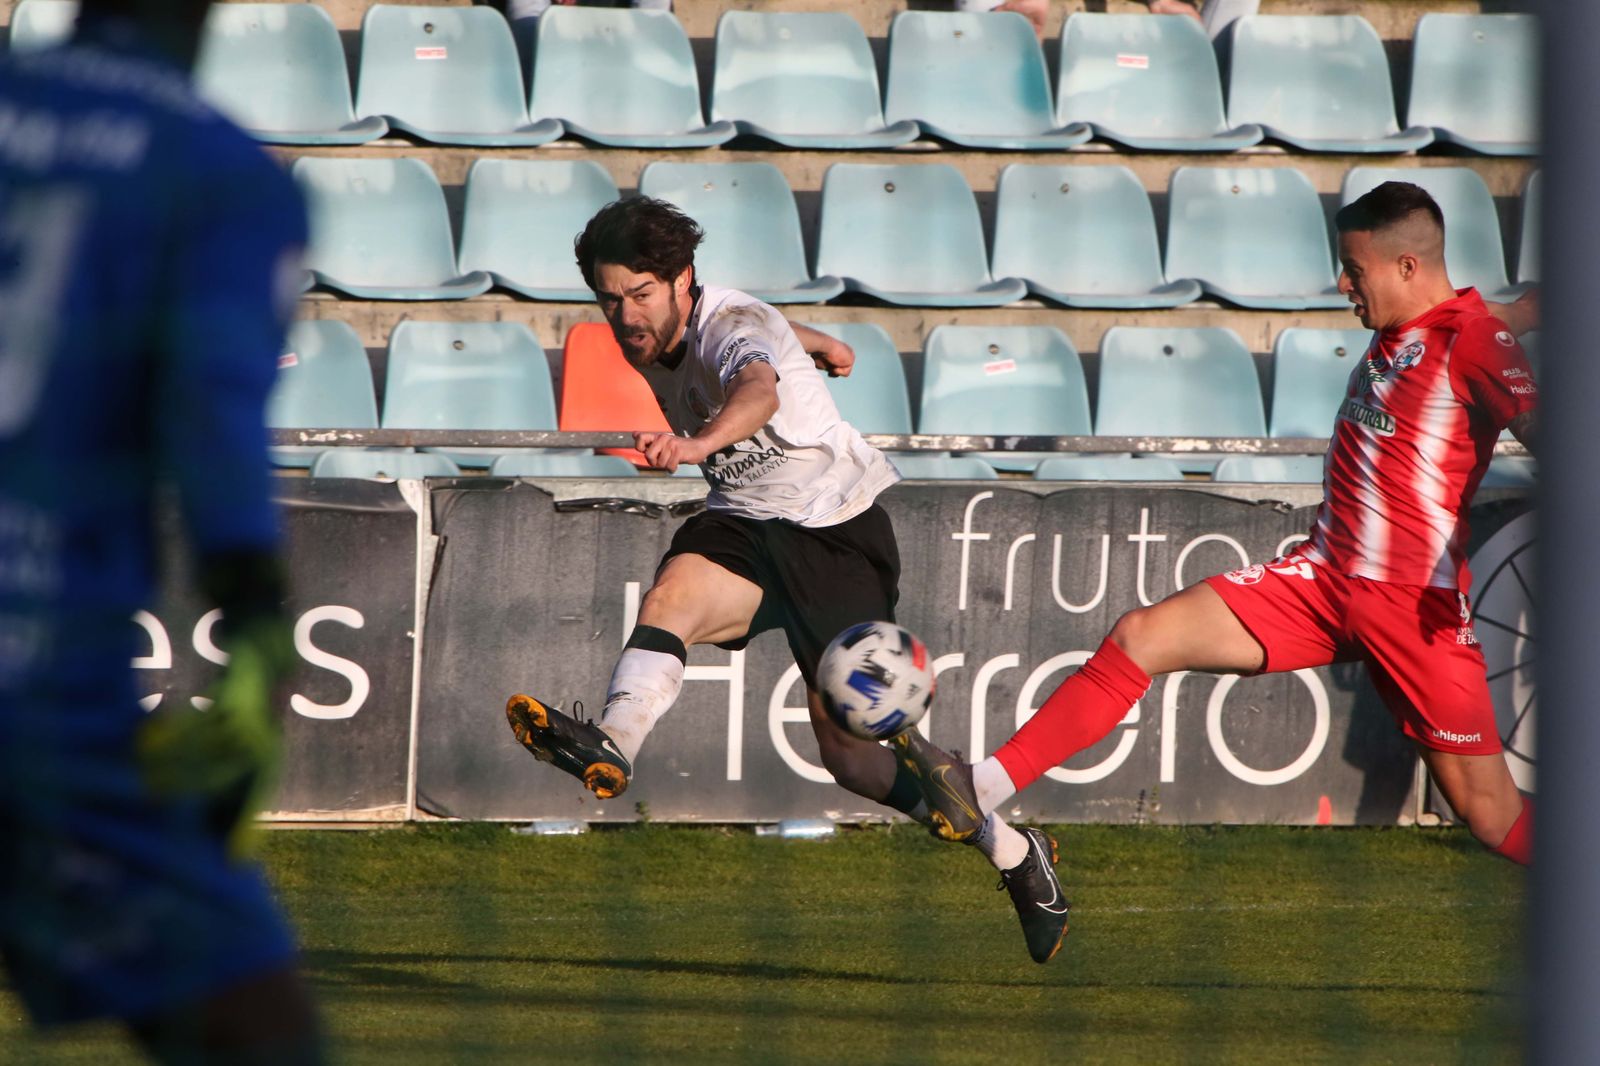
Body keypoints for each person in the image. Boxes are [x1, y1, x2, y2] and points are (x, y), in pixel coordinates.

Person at [893, 180, 1538, 961]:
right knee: (1140, 637)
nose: (1342, 284)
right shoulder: (1420, 323)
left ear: (1407, 266)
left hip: (1413, 608)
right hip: (1322, 581)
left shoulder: (1473, 341)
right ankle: (984, 786)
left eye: (1354, 269)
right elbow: (1482, 318)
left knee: (1490, 813)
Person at [502, 196, 1069, 959]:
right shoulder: (663, 329)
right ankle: (615, 742)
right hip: (744, 520)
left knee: (854, 759)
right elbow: (760, 329)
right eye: (610, 299)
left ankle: (1015, 852)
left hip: (831, 528)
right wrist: (817, 341)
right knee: (671, 598)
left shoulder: (729, 327)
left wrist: (695, 444)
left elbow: (758, 387)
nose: (626, 315)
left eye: (640, 293)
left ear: (682, 279)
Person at [0, 0, 322, 1060]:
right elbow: (213, 409)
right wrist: (255, 608)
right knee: (249, 1024)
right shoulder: (218, 173)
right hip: (37, 679)